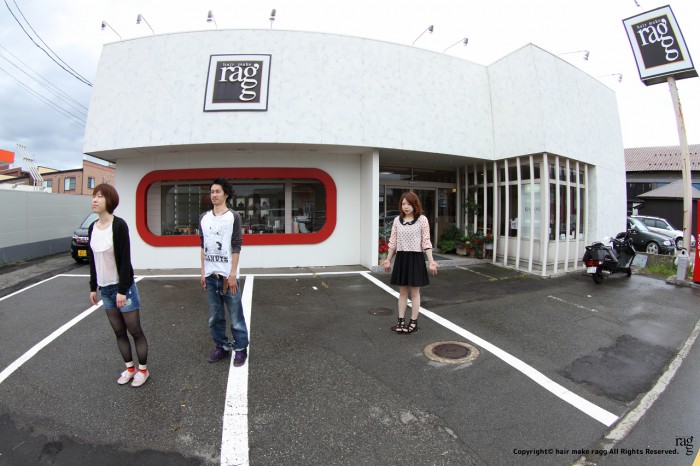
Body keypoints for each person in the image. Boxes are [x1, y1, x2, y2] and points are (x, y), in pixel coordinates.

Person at [88, 183, 150, 387]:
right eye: (94, 196)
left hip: (123, 288)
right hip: (105, 289)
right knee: (119, 332)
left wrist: (122, 290)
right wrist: (93, 287)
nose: (94, 199)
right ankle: (130, 368)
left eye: (99, 196)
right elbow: (92, 260)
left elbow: (125, 261)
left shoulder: (119, 225)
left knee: (134, 331)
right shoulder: (92, 228)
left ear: (110, 200)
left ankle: (143, 370)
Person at [199, 177, 249, 365]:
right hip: (211, 276)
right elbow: (203, 245)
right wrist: (203, 272)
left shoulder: (233, 217)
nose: (214, 195)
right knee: (215, 317)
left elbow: (236, 245)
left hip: (228, 277)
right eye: (212, 192)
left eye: (217, 191)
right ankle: (221, 346)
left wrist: (233, 273)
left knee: (236, 316)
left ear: (226, 194)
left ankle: (241, 348)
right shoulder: (204, 218)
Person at [382, 192, 439, 334]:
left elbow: (426, 241)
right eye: (403, 204)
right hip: (401, 258)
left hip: (416, 258)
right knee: (402, 292)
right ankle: (400, 320)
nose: (406, 207)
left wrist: (431, 261)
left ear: (415, 205)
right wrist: (388, 259)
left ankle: (413, 321)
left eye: (409, 204)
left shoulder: (422, 220)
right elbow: (393, 242)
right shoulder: (397, 220)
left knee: (414, 292)